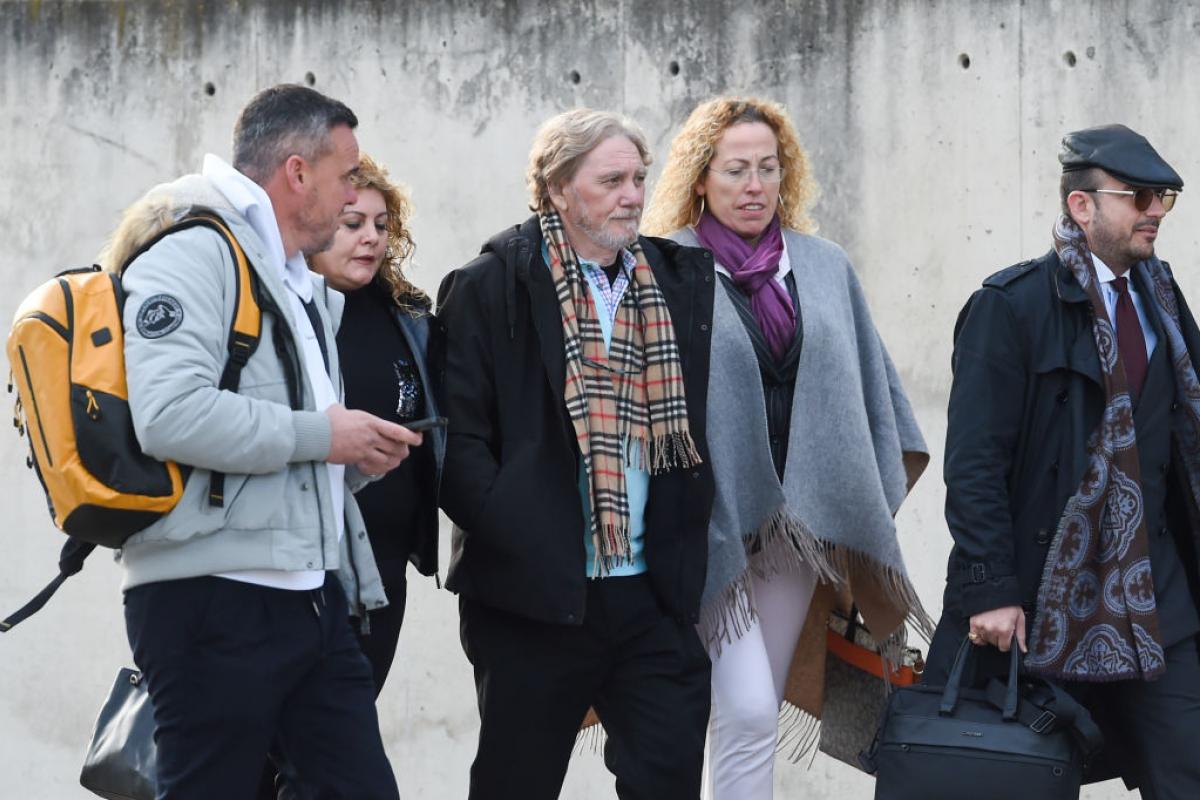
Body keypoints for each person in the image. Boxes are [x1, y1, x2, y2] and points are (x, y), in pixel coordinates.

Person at [108, 84, 420, 799]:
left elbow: (295, 445)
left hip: (309, 597)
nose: (352, 200)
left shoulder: (291, 278)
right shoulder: (192, 251)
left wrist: (355, 454)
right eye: (345, 177)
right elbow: (171, 415)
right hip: (212, 601)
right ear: (297, 173)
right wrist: (323, 435)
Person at [643, 96, 930, 799]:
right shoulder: (665, 266)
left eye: (768, 168)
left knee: (754, 713)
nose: (754, 186)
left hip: (794, 533)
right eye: (736, 169)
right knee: (737, 706)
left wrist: (847, 498)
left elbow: (873, 398)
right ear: (701, 178)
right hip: (704, 524)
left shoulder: (822, 266)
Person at [436, 108, 716, 799]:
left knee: (667, 780)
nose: (633, 195)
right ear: (558, 188)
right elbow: (455, 440)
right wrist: (520, 531)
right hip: (535, 595)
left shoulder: (675, 284)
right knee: (515, 784)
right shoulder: (489, 284)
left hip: (650, 594)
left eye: (638, 179)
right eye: (612, 180)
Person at [925, 123, 1200, 797]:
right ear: (1083, 206)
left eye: (1163, 196)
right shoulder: (1010, 307)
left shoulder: (1161, 302)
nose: (1156, 211)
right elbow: (975, 461)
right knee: (1020, 780)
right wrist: (991, 589)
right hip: (1041, 597)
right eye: (1138, 197)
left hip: (1156, 598)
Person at [308, 153, 443, 695]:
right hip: (303, 568)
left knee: (343, 745)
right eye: (352, 224)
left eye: (381, 226)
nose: (371, 238)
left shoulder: (408, 319)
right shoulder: (286, 314)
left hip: (384, 572)